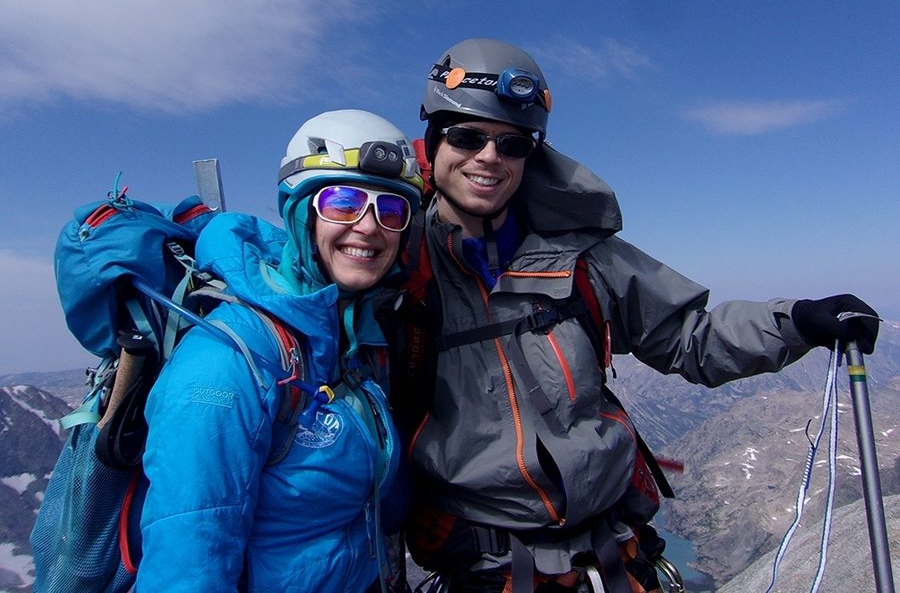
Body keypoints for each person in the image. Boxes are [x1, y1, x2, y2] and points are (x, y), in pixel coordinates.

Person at [383, 39, 881, 593]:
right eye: (467, 136)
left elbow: (689, 338)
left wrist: (797, 321)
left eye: (513, 144)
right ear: (434, 138)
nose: (489, 157)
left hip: (616, 556)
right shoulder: (399, 266)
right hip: (484, 570)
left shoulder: (583, 256)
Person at [135, 109, 423, 592]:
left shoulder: (354, 337)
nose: (370, 226)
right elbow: (187, 561)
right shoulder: (229, 361)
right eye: (343, 201)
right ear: (300, 211)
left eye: (391, 210)